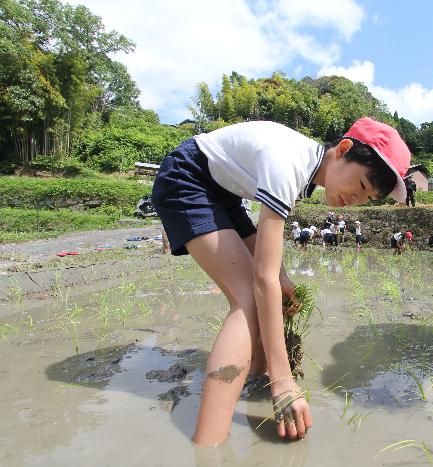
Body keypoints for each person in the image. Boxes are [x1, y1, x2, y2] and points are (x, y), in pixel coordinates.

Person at [151, 117, 411, 446]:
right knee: (248, 296)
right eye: (360, 186)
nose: (357, 200)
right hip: (188, 178)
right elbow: (262, 279)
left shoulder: (308, 169)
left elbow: (268, 264)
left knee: (269, 292)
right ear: (343, 150)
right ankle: (209, 444)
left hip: (222, 192)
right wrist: (284, 381)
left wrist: (283, 277)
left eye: (368, 197)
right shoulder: (289, 163)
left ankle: (254, 380)